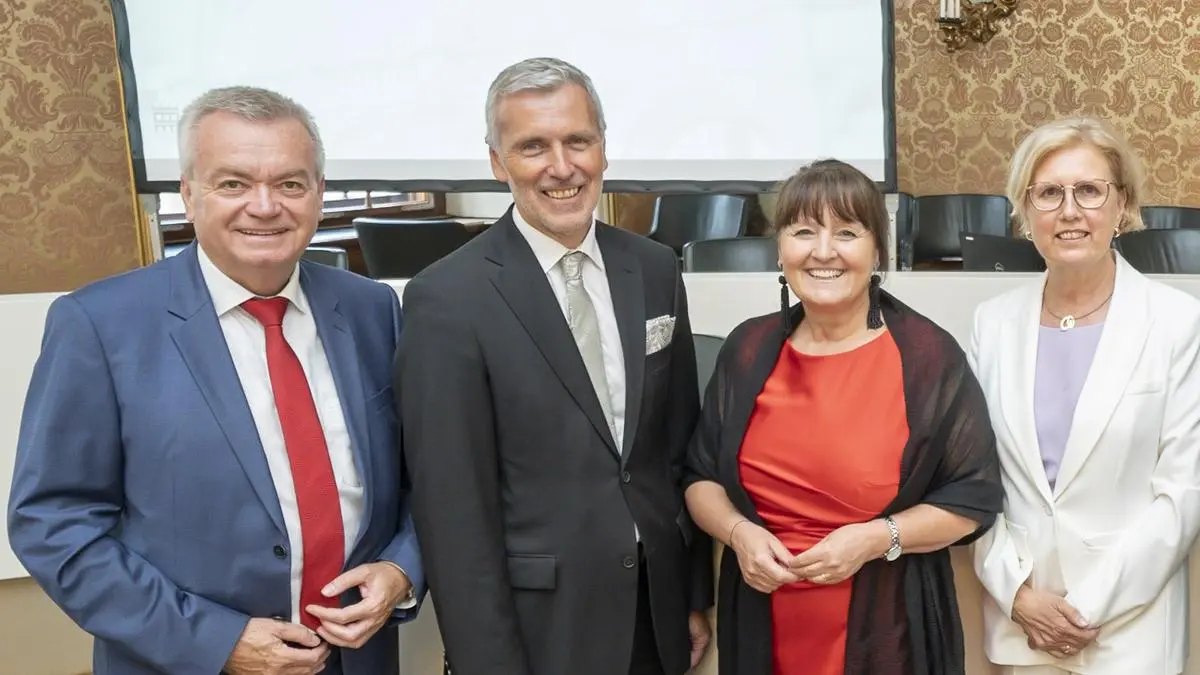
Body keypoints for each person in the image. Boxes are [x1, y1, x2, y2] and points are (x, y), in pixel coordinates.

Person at [7, 86, 424, 675]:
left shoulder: (372, 309)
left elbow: (424, 477)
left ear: (318, 194)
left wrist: (403, 567)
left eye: (290, 183)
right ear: (189, 192)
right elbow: (53, 523)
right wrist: (215, 641)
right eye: (233, 183)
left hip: (358, 659)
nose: (264, 206)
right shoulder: (98, 325)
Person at [396, 57, 713, 675]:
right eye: (532, 146)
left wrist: (691, 597)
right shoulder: (447, 297)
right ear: (496, 162)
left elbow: (680, 448)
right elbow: (452, 507)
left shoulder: (653, 268)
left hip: (656, 616)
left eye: (578, 141)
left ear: (603, 148)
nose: (561, 166)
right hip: (535, 632)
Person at [684, 159, 1004, 675]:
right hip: (763, 629)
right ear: (781, 248)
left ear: (876, 248)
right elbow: (699, 478)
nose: (823, 250)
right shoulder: (748, 349)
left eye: (847, 232)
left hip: (886, 635)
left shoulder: (927, 358)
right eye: (804, 230)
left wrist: (874, 540)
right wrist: (739, 534)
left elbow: (974, 499)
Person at [969, 116, 1200, 675]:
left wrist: (1084, 607)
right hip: (1020, 624)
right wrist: (1018, 595)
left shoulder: (1178, 323)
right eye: (1049, 192)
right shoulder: (991, 324)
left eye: (1090, 190)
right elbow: (971, 481)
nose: (1070, 211)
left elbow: (1183, 494)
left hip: (1130, 630)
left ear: (1122, 206)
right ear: (1025, 213)